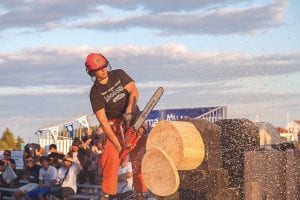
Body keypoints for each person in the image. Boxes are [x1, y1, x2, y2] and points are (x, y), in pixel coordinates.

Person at [85, 52, 147, 200]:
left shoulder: (118, 74)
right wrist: (118, 144)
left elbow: (134, 91)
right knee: (109, 156)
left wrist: (129, 109)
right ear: (92, 72)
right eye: (99, 69)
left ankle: (141, 192)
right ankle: (108, 193)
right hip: (115, 125)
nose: (103, 70)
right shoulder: (95, 93)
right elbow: (103, 121)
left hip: (134, 119)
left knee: (140, 155)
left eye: (104, 66)